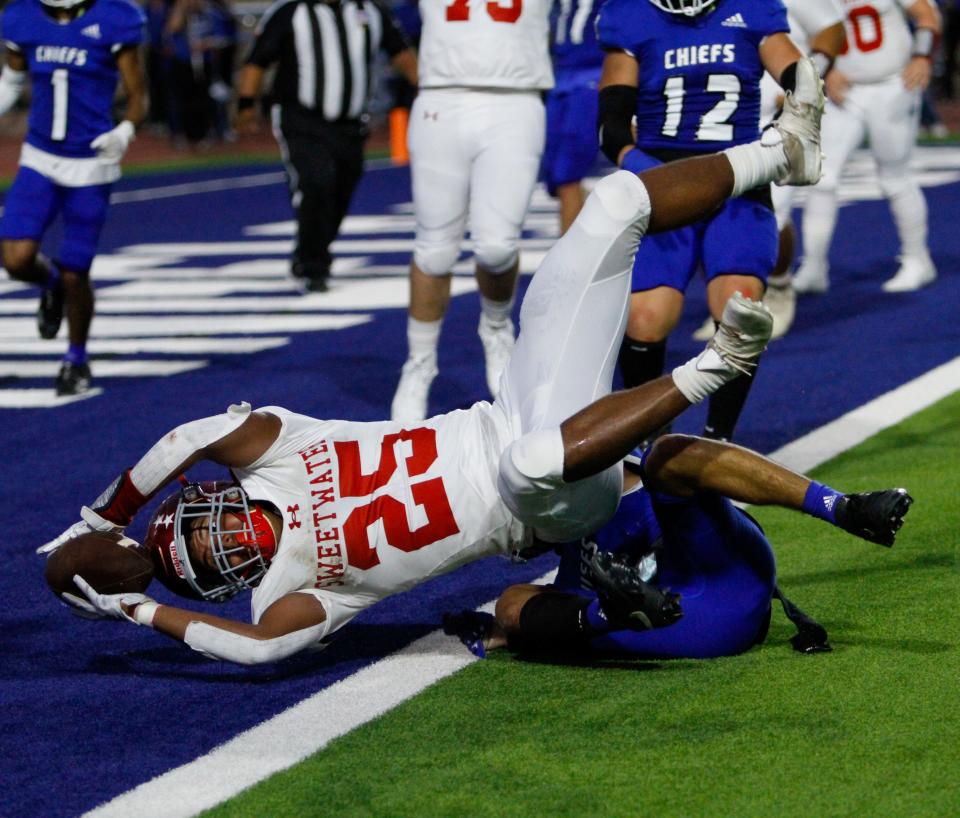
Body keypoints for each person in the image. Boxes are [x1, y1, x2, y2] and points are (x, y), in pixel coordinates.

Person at [38, 60, 826, 665]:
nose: (228, 540)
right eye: (216, 561)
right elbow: (258, 648)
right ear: (225, 586)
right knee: (525, 466)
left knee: (615, 206)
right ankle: (715, 365)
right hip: (544, 505)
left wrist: (107, 516)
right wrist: (136, 612)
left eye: (208, 527)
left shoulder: (277, 451)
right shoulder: (291, 593)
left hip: (512, 408)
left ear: (206, 497)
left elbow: (187, 438)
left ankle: (779, 152)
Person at [444, 434, 912, 660]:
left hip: (712, 596)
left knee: (666, 457)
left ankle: (841, 507)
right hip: (715, 601)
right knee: (514, 603)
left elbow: (510, 625)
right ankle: (842, 508)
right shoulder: (586, 512)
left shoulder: (602, 496)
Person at [597, 0, 806, 444]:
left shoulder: (752, 10)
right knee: (646, 316)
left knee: (740, 309)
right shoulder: (630, 16)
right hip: (664, 181)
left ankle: (716, 443)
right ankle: (649, 439)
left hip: (739, 176)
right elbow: (611, 128)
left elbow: (798, 75)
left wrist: (796, 114)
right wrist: (649, 171)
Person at [389, 0, 554, 422]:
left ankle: (496, 327)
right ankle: (419, 364)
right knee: (434, 250)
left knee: (497, 247)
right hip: (441, 99)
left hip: (515, 102)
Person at [0, 0, 147, 396]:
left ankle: (76, 357)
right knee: (15, 258)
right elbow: (12, 81)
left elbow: (138, 96)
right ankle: (51, 286)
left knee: (76, 270)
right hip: (40, 157)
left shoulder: (116, 18)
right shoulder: (22, 17)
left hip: (91, 162)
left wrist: (125, 132)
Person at [235, 0, 418, 293]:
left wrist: (434, 89)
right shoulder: (290, 12)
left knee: (341, 189)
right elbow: (258, 59)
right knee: (316, 182)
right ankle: (312, 265)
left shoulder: (370, 11)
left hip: (351, 123)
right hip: (301, 118)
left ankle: (312, 249)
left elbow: (401, 54)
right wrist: (246, 103)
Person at [793, 0, 943, 294]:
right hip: (844, 91)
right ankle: (814, 266)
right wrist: (827, 67)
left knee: (894, 177)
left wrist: (922, 56)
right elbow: (809, 30)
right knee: (821, 175)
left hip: (893, 84)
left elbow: (925, 13)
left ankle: (917, 259)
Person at [541, 0, 608, 235]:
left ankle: (569, 262)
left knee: (567, 172)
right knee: (555, 176)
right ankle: (582, 223)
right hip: (560, 75)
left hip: (592, 73)